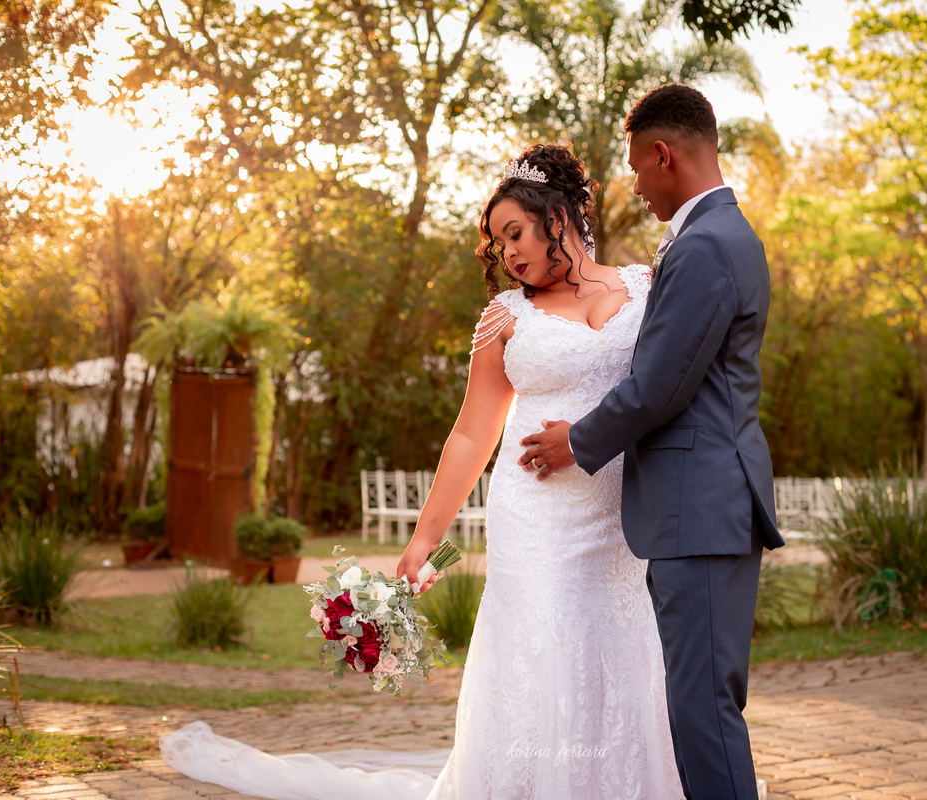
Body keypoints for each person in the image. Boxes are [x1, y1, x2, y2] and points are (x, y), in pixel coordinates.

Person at [159, 142, 684, 799]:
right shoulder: (505, 319)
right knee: (546, 656)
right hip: (538, 518)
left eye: (514, 232)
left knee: (622, 651)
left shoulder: (647, 287)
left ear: (560, 217)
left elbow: (674, 388)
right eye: (497, 245)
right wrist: (423, 539)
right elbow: (471, 433)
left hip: (620, 519)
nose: (508, 253)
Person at [518, 84, 784, 800]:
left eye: (637, 167)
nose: (634, 185)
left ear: (663, 154)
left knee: (701, 710)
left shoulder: (706, 247)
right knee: (703, 704)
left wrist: (578, 439)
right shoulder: (721, 237)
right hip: (706, 501)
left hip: (697, 507)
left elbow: (662, 384)